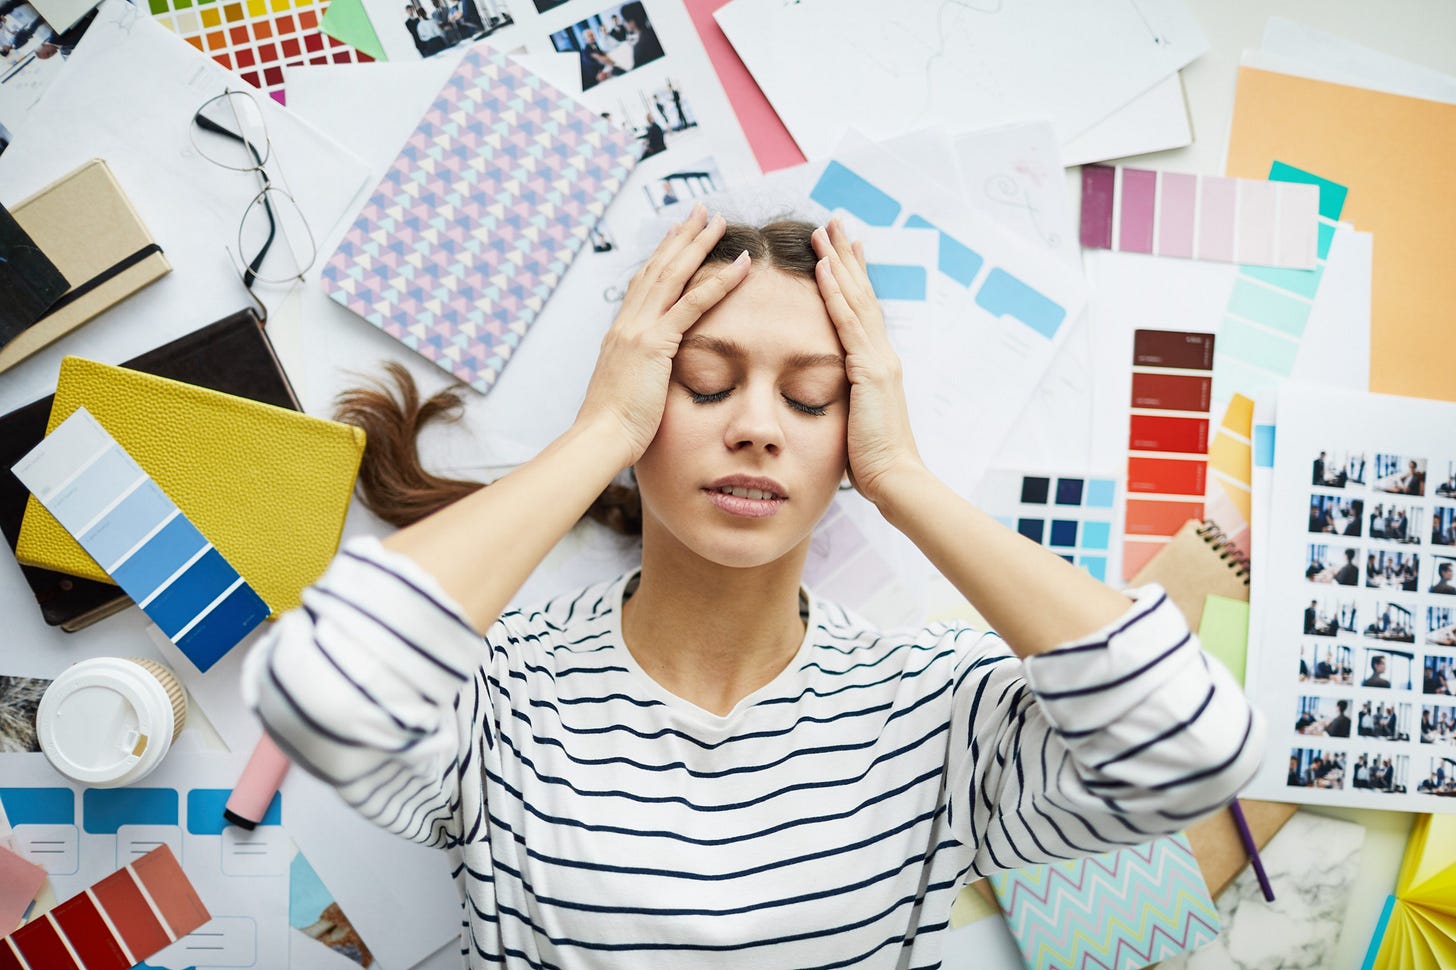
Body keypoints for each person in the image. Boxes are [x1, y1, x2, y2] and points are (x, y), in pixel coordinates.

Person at [241, 212, 1263, 968]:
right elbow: (315, 692)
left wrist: (901, 475)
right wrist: (597, 435)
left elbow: (1196, 749)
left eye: (810, 397)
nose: (759, 427)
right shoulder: (505, 693)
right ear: (645, 402)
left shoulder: (937, 704)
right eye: (705, 383)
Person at [622, 1, 664, 67]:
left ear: (632, 22)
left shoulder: (639, 49)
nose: (623, 24)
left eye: (624, 20)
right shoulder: (654, 31)